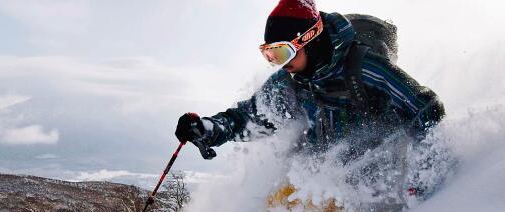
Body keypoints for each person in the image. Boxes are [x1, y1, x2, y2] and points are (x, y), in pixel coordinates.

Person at [175, 0, 445, 165]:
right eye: (270, 55)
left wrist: (421, 176)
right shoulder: (290, 81)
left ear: (310, 39)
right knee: (280, 209)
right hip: (323, 172)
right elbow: (250, 118)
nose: (279, 63)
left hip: (378, 164)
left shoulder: (364, 66)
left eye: (282, 52)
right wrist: (209, 129)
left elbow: (426, 108)